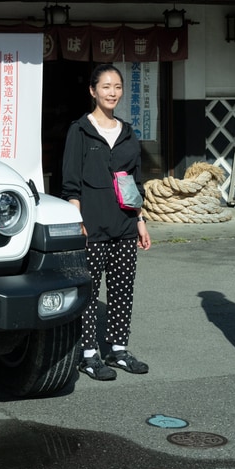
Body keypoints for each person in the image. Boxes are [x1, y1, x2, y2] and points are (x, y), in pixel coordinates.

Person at [61, 63, 152, 381]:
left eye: (117, 87)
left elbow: (135, 182)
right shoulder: (80, 130)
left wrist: (140, 220)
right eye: (105, 87)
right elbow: (71, 182)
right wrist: (77, 219)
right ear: (92, 90)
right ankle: (88, 355)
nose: (112, 92)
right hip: (92, 226)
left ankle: (118, 349)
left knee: (122, 290)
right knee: (88, 291)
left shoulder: (128, 132)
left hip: (125, 224)